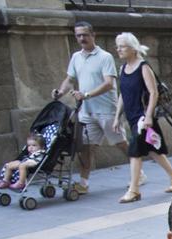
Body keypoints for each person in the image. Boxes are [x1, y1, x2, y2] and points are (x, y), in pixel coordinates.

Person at [52, 22, 128, 196]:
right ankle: (83, 183)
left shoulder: (105, 56)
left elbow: (109, 84)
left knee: (121, 144)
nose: (81, 38)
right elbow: (70, 79)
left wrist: (86, 95)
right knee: (85, 148)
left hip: (107, 110)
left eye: (85, 35)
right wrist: (60, 92)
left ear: (93, 35)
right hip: (86, 112)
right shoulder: (76, 57)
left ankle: (138, 173)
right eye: (78, 35)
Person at [113, 33, 172, 204]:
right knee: (154, 150)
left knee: (135, 153)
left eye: (122, 46)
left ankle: (134, 190)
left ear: (132, 47)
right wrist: (117, 116)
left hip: (143, 118)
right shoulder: (123, 69)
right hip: (132, 117)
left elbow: (153, 92)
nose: (119, 49)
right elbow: (123, 94)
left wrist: (149, 117)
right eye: (118, 46)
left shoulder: (143, 67)